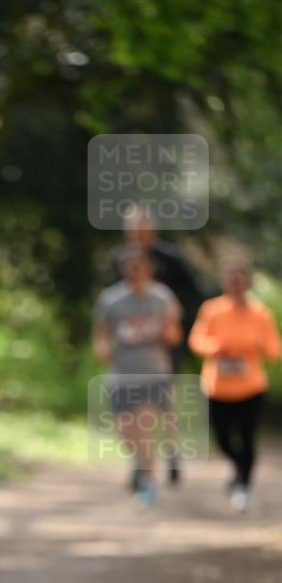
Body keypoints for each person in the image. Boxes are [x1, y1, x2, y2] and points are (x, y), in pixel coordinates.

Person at [113, 207, 205, 484]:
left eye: (144, 227)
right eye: (134, 227)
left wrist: (171, 321)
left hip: (164, 345)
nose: (139, 232)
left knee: (165, 403)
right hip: (130, 347)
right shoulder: (120, 259)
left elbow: (194, 293)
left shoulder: (170, 258)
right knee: (133, 407)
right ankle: (140, 460)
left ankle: (171, 450)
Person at [189, 257, 280, 512]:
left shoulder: (260, 313)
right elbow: (197, 341)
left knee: (248, 439)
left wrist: (260, 347)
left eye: (240, 276)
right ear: (224, 280)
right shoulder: (212, 310)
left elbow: (275, 349)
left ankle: (243, 488)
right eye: (231, 276)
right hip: (218, 387)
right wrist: (218, 348)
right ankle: (237, 466)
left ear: (246, 280)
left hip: (251, 387)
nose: (236, 281)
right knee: (222, 439)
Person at [93, 245, 182, 506]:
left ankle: (148, 481)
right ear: (123, 270)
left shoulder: (162, 297)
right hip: (122, 373)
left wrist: (168, 333)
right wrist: (102, 347)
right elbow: (100, 332)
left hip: (154, 372)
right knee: (125, 431)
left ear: (148, 268)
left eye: (139, 265)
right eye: (129, 266)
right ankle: (141, 463)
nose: (134, 271)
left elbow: (175, 332)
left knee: (144, 427)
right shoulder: (111, 299)